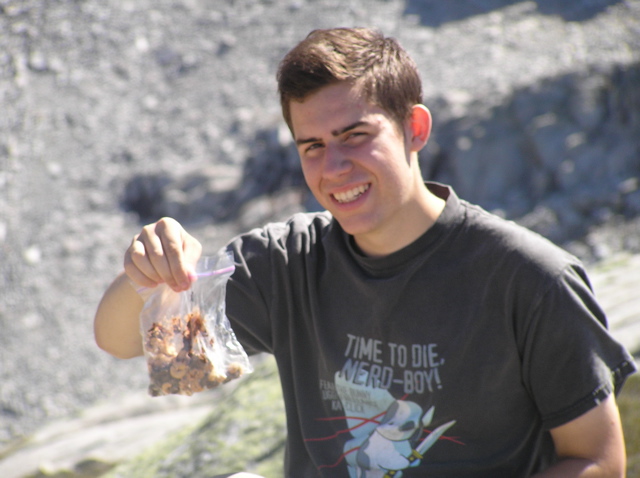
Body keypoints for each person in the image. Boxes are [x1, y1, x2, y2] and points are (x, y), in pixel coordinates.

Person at [94, 28, 636, 477]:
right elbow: (119, 340)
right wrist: (148, 273)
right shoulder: (287, 264)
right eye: (313, 146)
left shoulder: (532, 279)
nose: (333, 168)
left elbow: (598, 460)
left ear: (414, 129)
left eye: (355, 135)